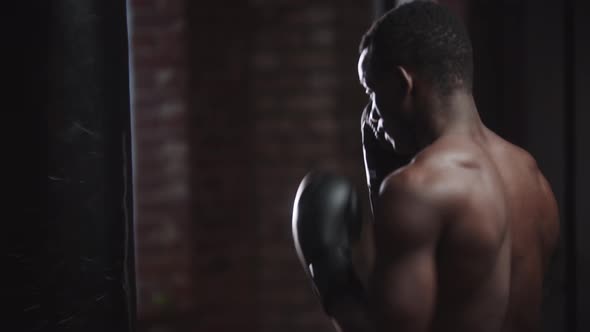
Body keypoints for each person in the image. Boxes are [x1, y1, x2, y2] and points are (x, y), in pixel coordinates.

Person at [291, 1, 561, 331]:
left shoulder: (418, 190)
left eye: (372, 90)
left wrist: (331, 277)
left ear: (403, 82)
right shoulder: (532, 178)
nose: (371, 112)